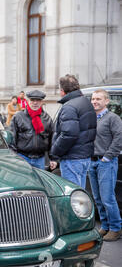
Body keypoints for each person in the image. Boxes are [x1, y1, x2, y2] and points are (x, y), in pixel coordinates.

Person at [50, 74, 97, 188]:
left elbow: (69, 134)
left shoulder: (69, 106)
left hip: (73, 158)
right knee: (80, 194)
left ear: (62, 91)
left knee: (73, 195)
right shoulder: (86, 102)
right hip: (84, 156)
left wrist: (55, 152)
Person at [88, 89, 122, 241]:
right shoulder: (91, 118)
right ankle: (105, 226)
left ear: (106, 101)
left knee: (108, 197)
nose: (95, 101)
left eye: (98, 99)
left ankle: (115, 228)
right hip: (92, 162)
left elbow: (119, 138)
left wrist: (107, 157)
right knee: (97, 197)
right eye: (93, 99)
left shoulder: (112, 118)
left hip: (106, 163)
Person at [9, 90, 54, 169]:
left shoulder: (47, 118)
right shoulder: (18, 116)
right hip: (22, 158)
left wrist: (53, 158)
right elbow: (11, 139)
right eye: (32, 100)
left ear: (42, 102)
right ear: (28, 101)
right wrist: (13, 157)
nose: (35, 103)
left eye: (38, 100)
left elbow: (52, 140)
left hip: (40, 159)